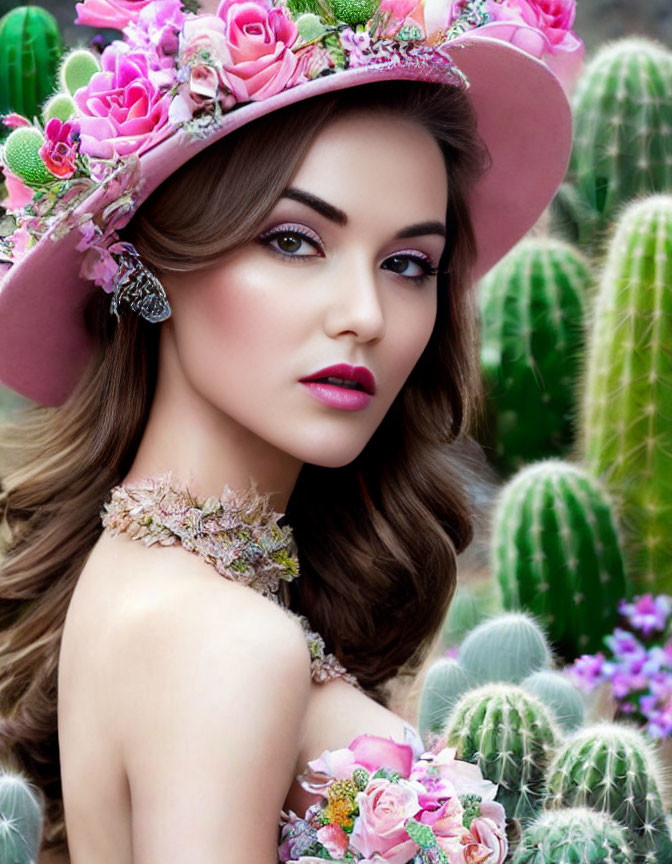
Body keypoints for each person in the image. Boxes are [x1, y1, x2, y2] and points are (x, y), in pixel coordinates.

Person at [0, 0, 580, 860]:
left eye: (409, 263)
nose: (366, 315)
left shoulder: (147, 583)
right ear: (149, 261)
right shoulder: (225, 638)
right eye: (295, 241)